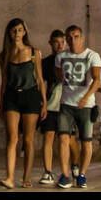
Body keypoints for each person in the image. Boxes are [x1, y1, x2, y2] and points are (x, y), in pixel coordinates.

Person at [0, 17, 44, 188]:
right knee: (12, 138)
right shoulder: (4, 56)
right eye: (14, 30)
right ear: (9, 32)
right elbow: (4, 81)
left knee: (28, 139)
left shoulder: (34, 52)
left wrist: (44, 103)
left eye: (20, 30)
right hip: (11, 97)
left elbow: (39, 79)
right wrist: (1, 104)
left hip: (31, 97)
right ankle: (9, 177)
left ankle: (27, 177)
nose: (17, 33)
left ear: (25, 32)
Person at [55, 24, 101, 188]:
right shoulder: (61, 56)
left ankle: (82, 174)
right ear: (66, 39)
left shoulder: (92, 56)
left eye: (76, 37)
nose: (72, 40)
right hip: (66, 104)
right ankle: (65, 175)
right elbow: (59, 76)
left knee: (86, 142)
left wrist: (86, 96)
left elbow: (97, 79)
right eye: (69, 37)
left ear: (81, 38)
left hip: (86, 105)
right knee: (63, 139)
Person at [37, 30, 66, 184]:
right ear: (51, 43)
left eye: (62, 42)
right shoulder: (46, 62)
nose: (59, 45)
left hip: (68, 106)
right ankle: (48, 171)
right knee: (48, 137)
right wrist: (43, 104)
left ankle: (68, 170)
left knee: (67, 140)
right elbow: (41, 83)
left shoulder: (71, 60)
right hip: (51, 105)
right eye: (56, 42)